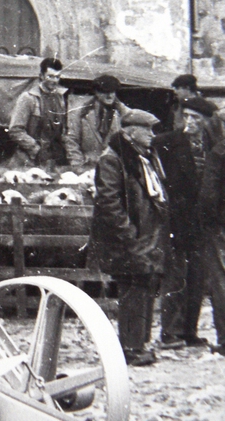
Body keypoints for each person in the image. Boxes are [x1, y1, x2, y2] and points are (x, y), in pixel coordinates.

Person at [88, 109, 169, 366]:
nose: (152, 135)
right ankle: (130, 348)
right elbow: (109, 203)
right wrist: (128, 234)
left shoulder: (144, 157)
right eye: (147, 130)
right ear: (130, 131)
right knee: (133, 290)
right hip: (127, 240)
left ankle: (139, 344)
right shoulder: (112, 160)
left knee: (144, 286)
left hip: (147, 237)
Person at [154, 96, 216, 349]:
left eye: (196, 118)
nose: (189, 122)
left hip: (202, 223)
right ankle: (170, 333)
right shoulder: (165, 143)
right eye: (187, 116)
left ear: (206, 122)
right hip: (176, 221)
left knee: (198, 278)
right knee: (175, 277)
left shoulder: (213, 144)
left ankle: (189, 332)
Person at [8, 57, 67, 168]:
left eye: (57, 77)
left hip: (51, 160)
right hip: (27, 161)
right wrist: (36, 149)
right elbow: (15, 130)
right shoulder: (28, 98)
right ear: (41, 76)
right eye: (50, 76)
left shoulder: (60, 99)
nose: (54, 81)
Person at [65, 74, 130, 171]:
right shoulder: (82, 113)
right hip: (88, 168)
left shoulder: (126, 114)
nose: (110, 95)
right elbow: (72, 140)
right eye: (105, 92)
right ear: (96, 92)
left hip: (115, 170)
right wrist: (78, 164)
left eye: (112, 91)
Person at [198, 133, 225, 356]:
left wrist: (208, 222)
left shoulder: (219, 151)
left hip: (221, 226)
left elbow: (209, 193)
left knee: (221, 281)